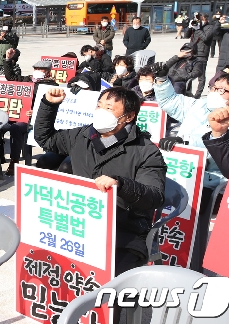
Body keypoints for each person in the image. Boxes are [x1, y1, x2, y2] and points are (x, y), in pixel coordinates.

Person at [36, 86, 166, 277]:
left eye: (109, 108)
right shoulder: (82, 136)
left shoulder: (146, 152)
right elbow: (46, 139)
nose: (100, 112)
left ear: (128, 117)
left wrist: (121, 185)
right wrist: (48, 106)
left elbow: (154, 197)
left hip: (122, 233)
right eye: (99, 106)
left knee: (109, 292)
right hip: (79, 227)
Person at [154, 73, 229, 271]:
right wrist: (161, 80)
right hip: (179, 170)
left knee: (191, 211)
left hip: (210, 180)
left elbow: (226, 153)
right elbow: (170, 101)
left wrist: (186, 145)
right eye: (214, 88)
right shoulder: (200, 105)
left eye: (222, 90)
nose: (215, 93)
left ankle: (191, 261)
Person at [1, 54, 59, 175]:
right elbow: (10, 76)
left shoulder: (51, 86)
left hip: (32, 119)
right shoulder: (26, 80)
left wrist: (37, 111)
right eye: (35, 69)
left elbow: (52, 104)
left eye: (40, 70)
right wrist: (7, 60)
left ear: (48, 72)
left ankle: (14, 160)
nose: (37, 71)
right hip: (15, 114)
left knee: (16, 129)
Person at [188, 13, 220, 98]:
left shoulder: (210, 27)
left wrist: (198, 29)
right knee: (188, 74)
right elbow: (186, 36)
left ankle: (198, 94)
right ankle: (188, 92)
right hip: (192, 53)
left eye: (201, 19)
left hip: (202, 54)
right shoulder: (196, 27)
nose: (199, 21)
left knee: (201, 75)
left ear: (205, 19)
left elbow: (205, 38)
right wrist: (190, 27)